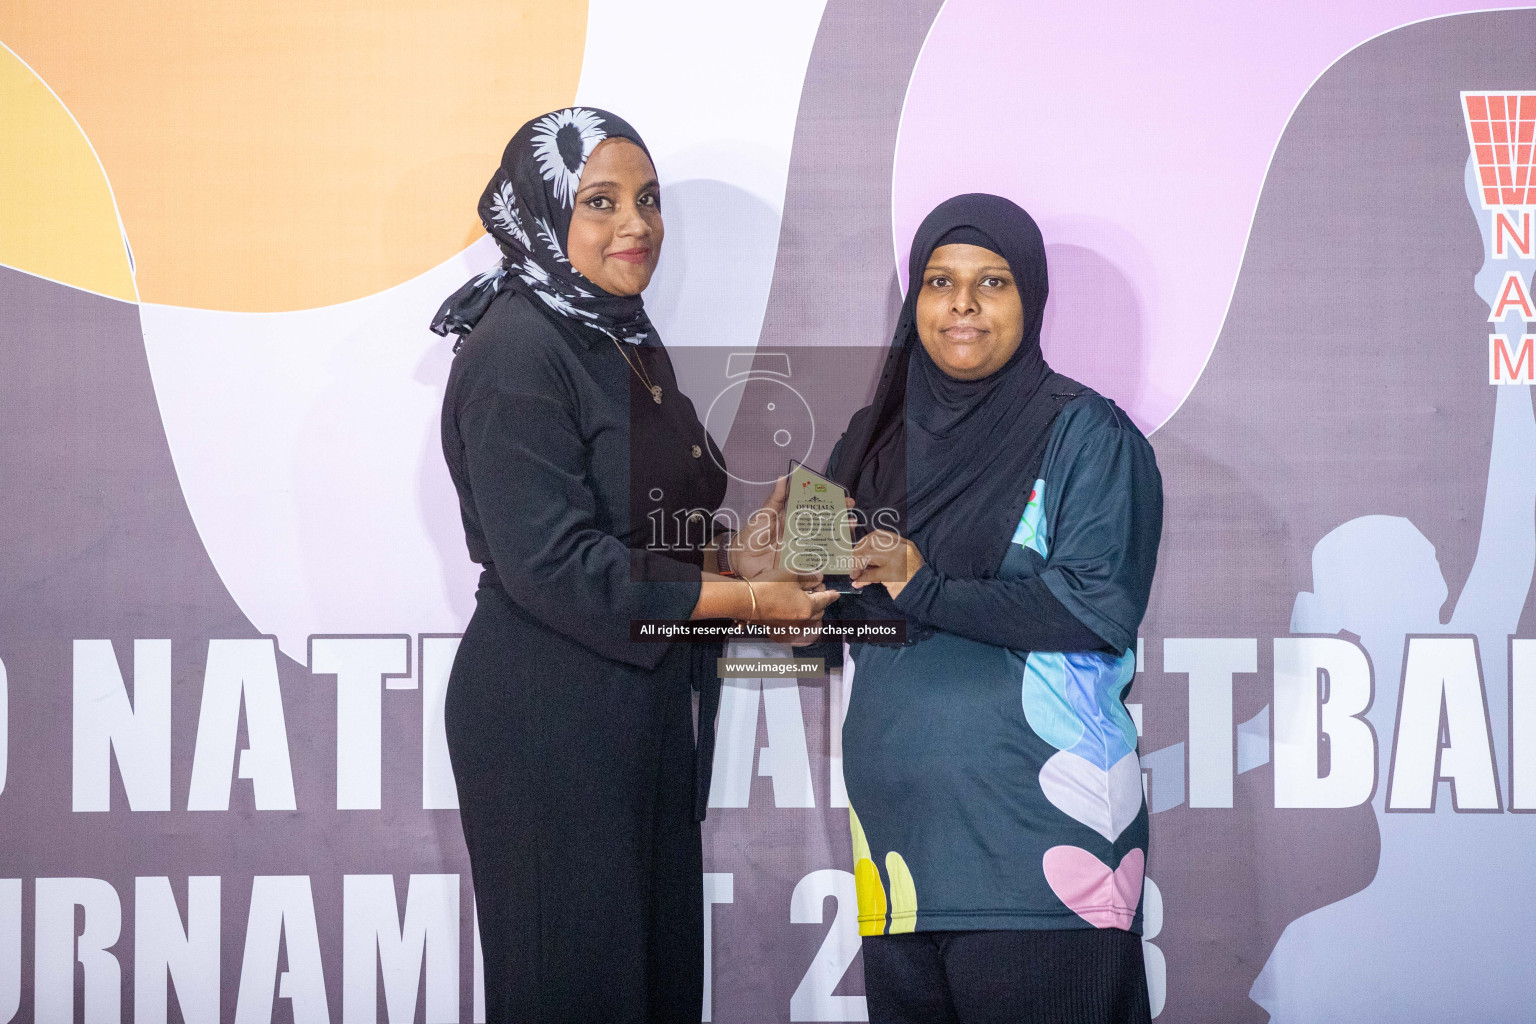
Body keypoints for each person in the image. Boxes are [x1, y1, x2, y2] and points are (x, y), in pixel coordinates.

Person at [431, 107, 837, 1023]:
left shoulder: (618, 335)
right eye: (602, 202)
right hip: (550, 719)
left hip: (638, 706)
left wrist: (745, 554)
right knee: (579, 990)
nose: (638, 225)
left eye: (648, 201)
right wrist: (748, 599)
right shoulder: (516, 350)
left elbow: (642, 537)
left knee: (650, 991)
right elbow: (559, 565)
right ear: (541, 213)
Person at [821, 193, 1162, 1023]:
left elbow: (1093, 606)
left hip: (1039, 856)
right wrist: (773, 573)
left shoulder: (1088, 434)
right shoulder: (870, 439)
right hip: (900, 863)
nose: (962, 304)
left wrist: (921, 584)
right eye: (939, 281)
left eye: (993, 282)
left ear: (1031, 298)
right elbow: (819, 611)